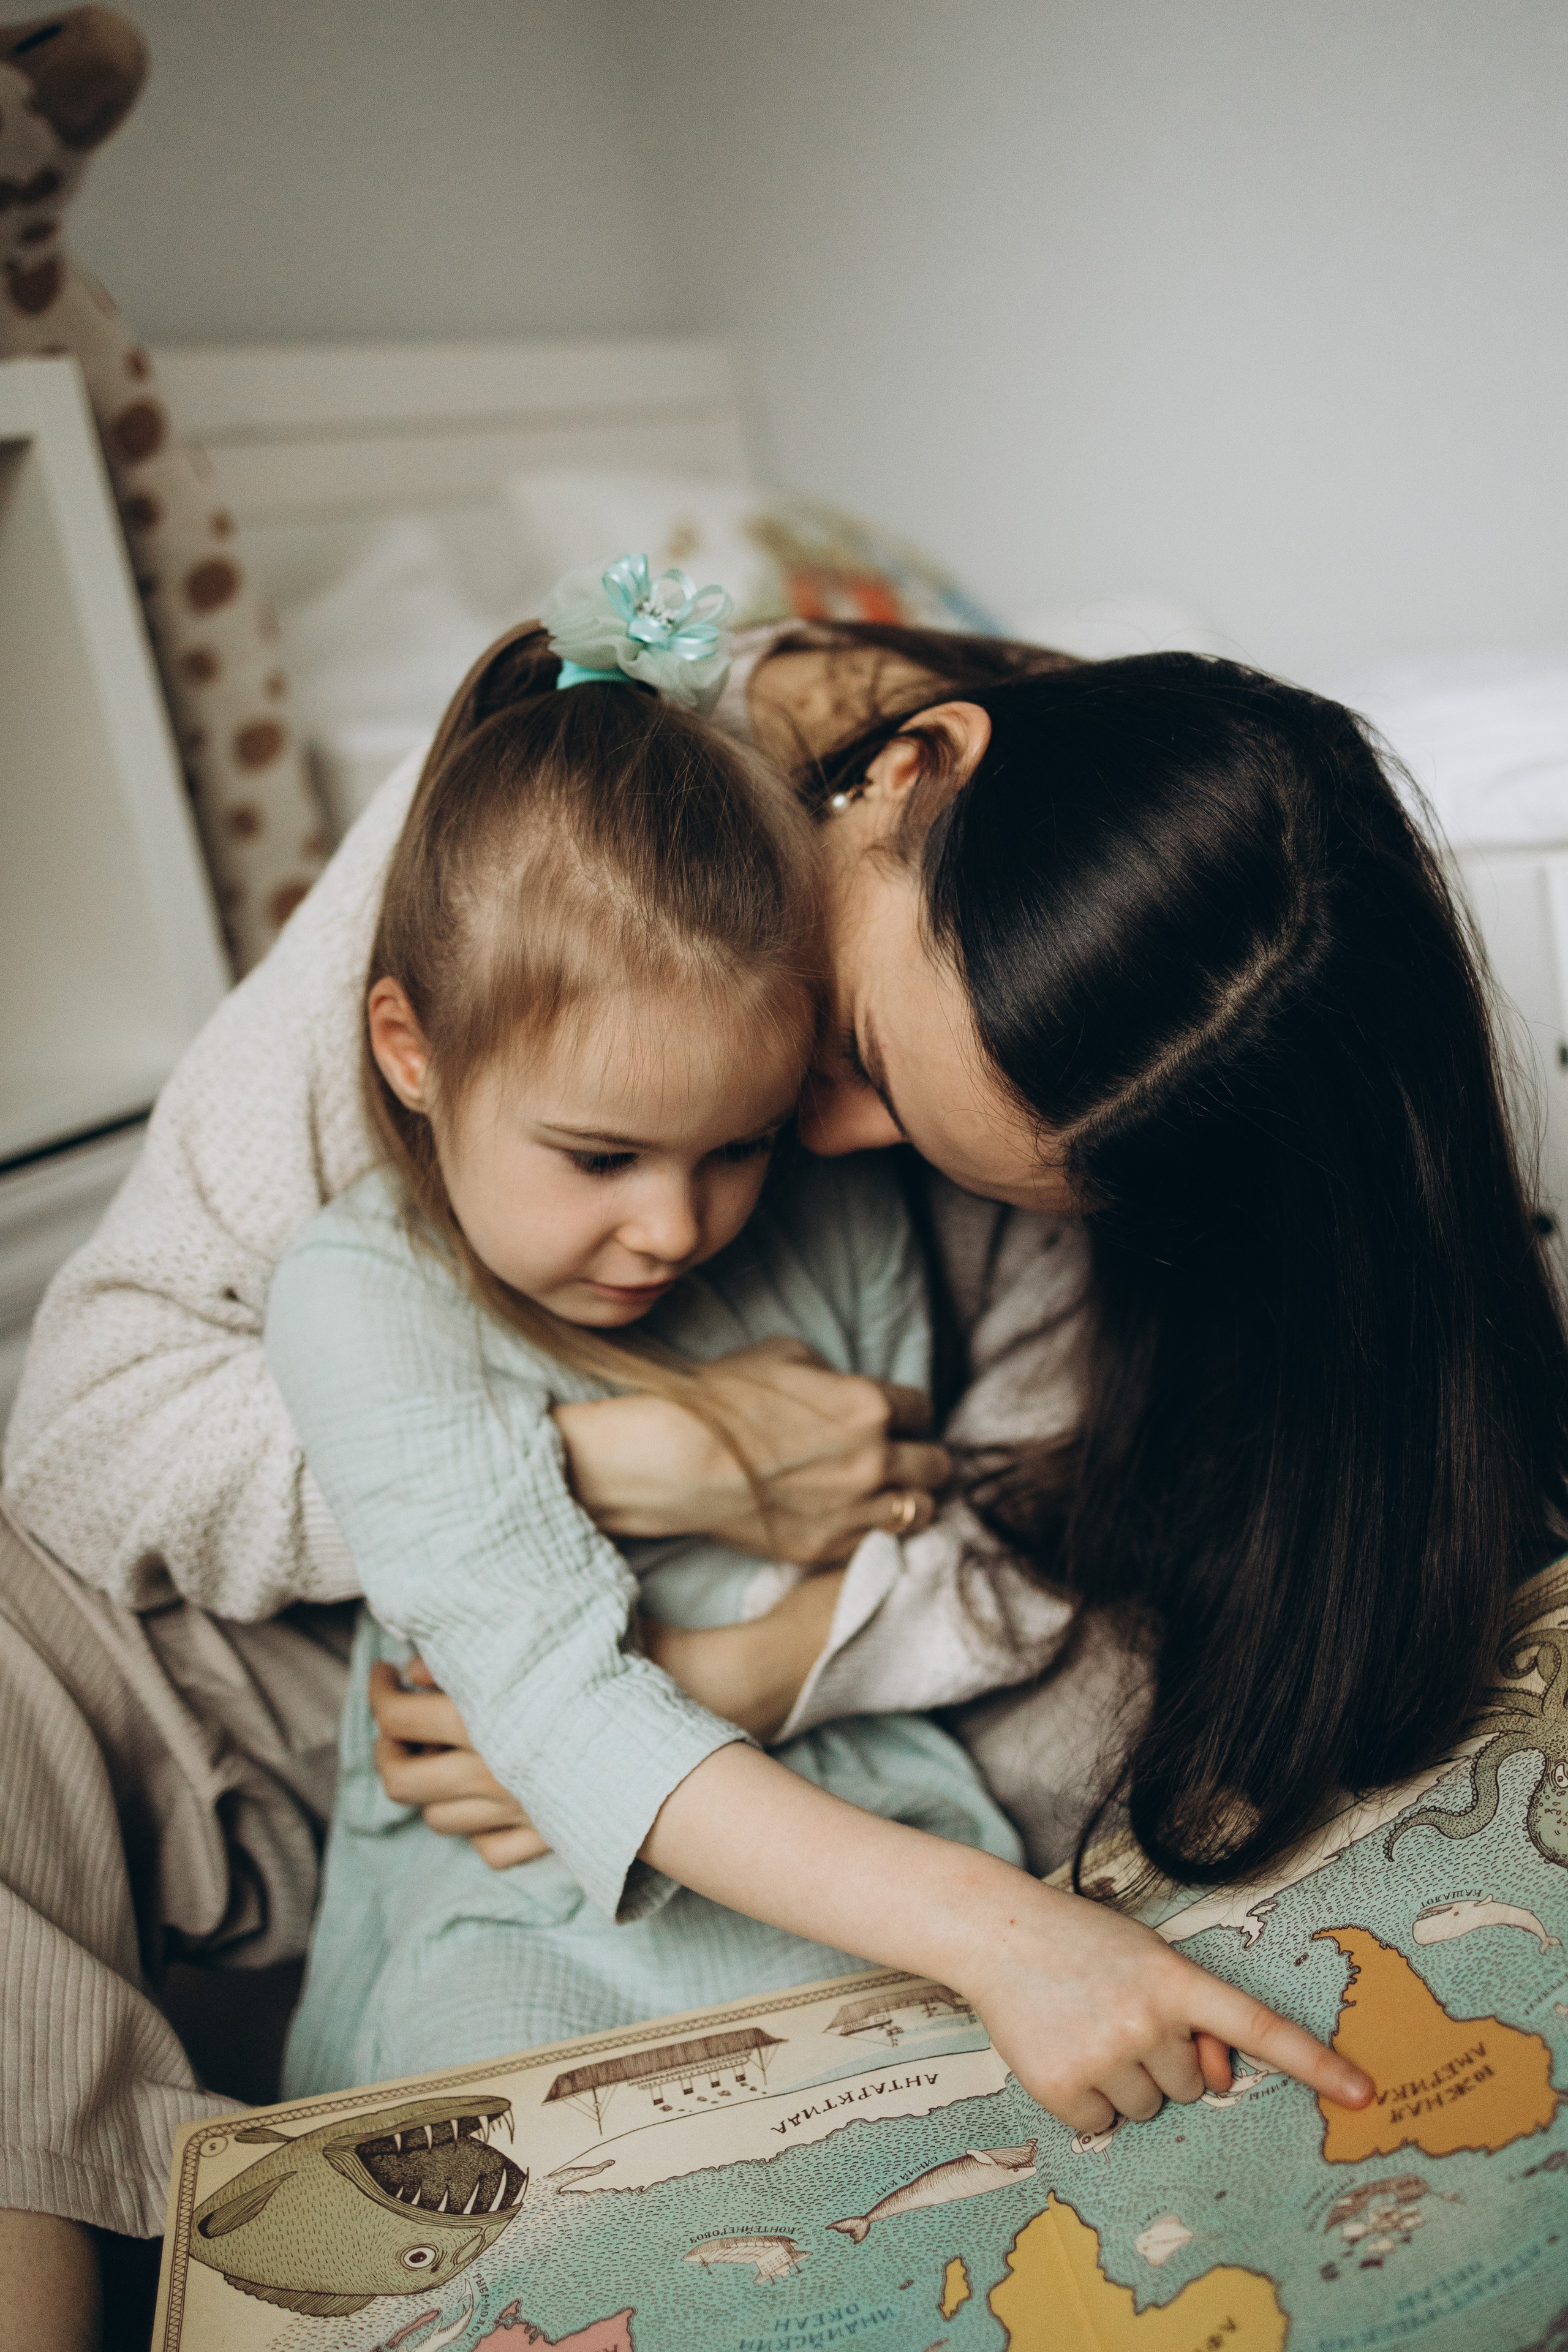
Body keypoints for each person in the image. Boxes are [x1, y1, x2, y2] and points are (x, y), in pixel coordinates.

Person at [4, 600, 1564, 2335]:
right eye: (868, 1065)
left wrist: (738, 1673)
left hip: (710, 1718)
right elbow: (93, 1432)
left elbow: (1035, 1575)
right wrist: (613, 1467)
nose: (822, 1153)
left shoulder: (1012, 1139)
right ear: (908, 770)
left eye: (911, 1148)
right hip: (315, 1653)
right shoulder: (544, 826)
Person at [264, 573, 1358, 2118]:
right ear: (408, 1052)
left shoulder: (824, 1210)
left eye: (740, 1144)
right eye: (599, 1159)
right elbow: (553, 1717)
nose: (673, 1226)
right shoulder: (360, 1298)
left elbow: (926, 1527)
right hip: (529, 1874)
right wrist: (1008, 1935)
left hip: (869, 1802)